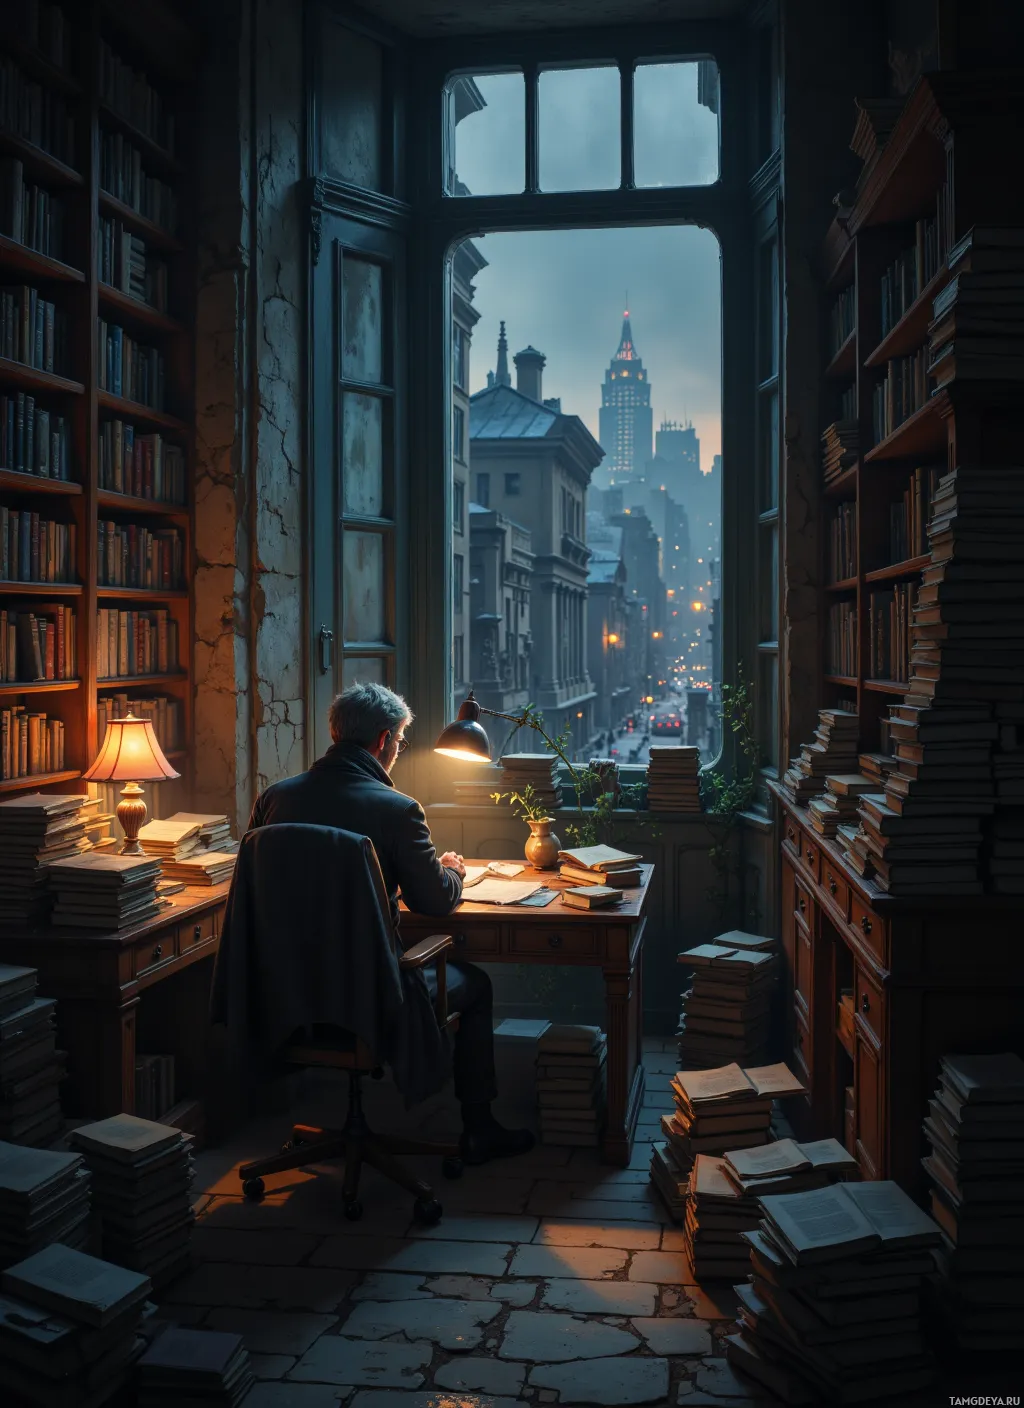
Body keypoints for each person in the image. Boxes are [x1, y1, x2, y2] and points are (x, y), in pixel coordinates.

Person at [246, 682, 534, 1166]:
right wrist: (454, 871)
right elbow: (436, 901)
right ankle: (479, 1129)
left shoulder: (275, 799)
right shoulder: (397, 809)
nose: (397, 750)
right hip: (367, 994)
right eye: (399, 741)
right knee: (477, 985)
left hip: (287, 989)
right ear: (382, 740)